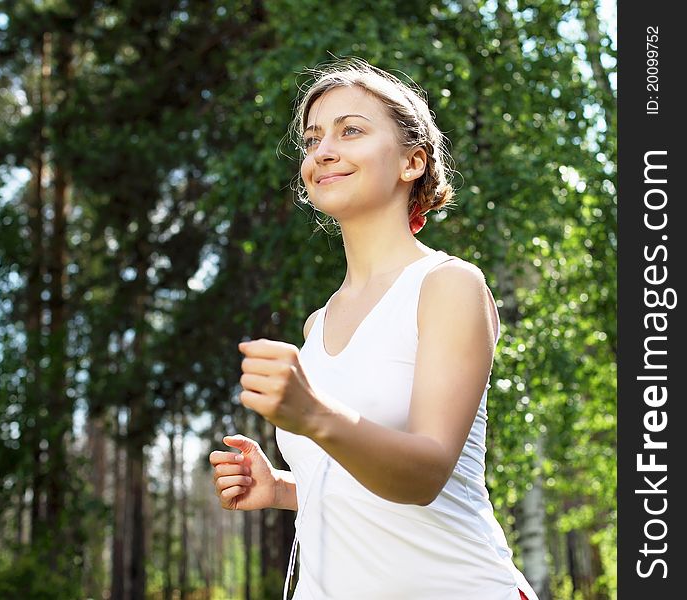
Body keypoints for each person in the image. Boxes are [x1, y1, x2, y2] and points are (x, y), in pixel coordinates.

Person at [209, 58, 538, 600]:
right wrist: (285, 489)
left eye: (351, 130)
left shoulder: (447, 285)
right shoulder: (318, 324)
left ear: (413, 161)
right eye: (312, 139)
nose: (323, 151)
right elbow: (358, 482)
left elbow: (425, 474)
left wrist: (312, 413)